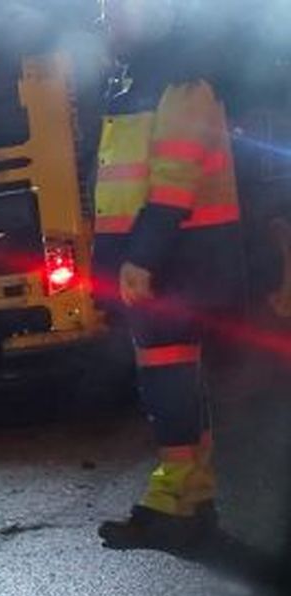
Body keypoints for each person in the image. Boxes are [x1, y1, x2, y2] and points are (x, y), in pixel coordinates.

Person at [93, 0, 245, 552]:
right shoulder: (144, 78)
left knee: (169, 383)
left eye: (115, 8)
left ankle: (178, 506)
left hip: (177, 263)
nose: (104, 18)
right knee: (170, 383)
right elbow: (124, 184)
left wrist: (141, 259)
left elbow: (172, 183)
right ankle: (186, 502)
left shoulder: (180, 83)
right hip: (167, 260)